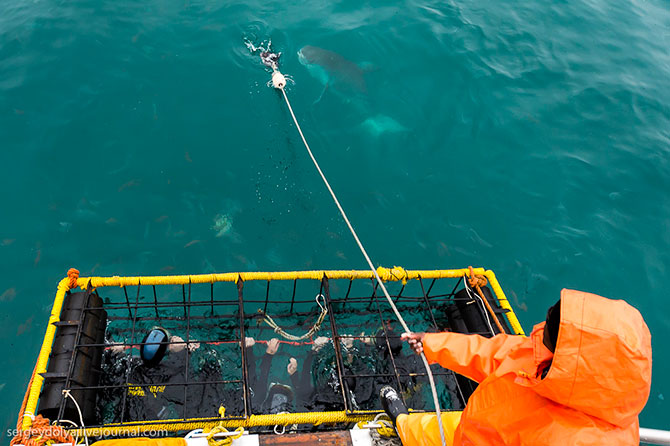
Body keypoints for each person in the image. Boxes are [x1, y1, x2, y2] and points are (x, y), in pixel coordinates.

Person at [380, 289, 652, 446]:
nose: (544, 323)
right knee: (428, 428)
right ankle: (404, 424)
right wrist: (433, 344)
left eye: (553, 330)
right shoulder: (547, 356)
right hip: (474, 429)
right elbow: (492, 353)